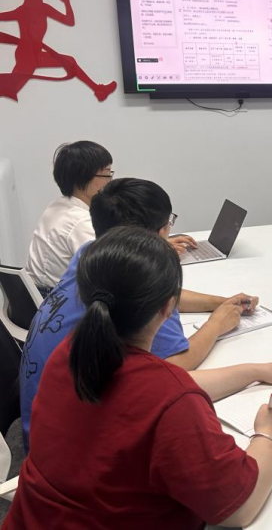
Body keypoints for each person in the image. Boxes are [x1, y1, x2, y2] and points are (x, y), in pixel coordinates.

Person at [4, 227, 272, 529]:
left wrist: (253, 372)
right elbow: (239, 508)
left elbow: (154, 394)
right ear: (169, 306)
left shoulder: (71, 351)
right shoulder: (170, 401)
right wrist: (269, 435)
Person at [20, 178, 256, 450]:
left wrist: (220, 302)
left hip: (42, 431)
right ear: (159, 233)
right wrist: (216, 325)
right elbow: (174, 368)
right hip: (70, 448)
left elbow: (160, 294)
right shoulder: (139, 286)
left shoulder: (91, 254)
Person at [25, 141, 195, 294]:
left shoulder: (58, 205)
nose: (111, 180)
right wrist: (157, 251)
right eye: (106, 174)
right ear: (82, 178)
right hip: (55, 298)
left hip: (39, 294)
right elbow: (120, 274)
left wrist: (157, 242)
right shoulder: (81, 222)